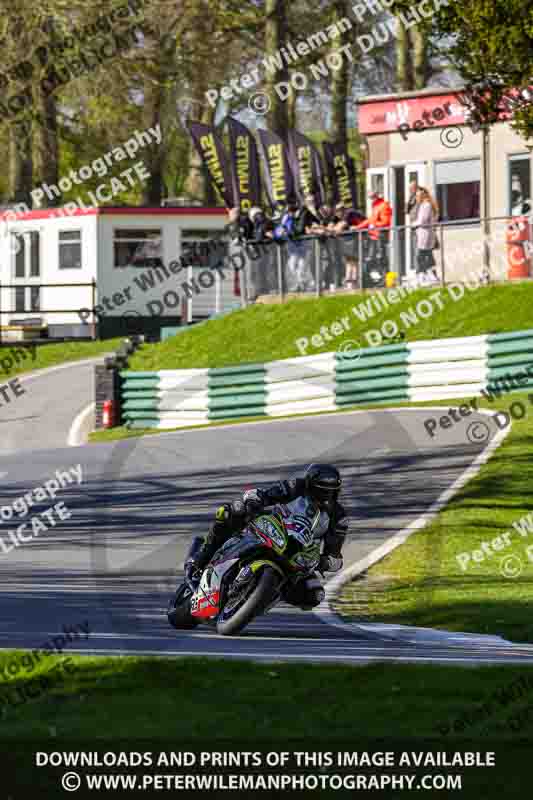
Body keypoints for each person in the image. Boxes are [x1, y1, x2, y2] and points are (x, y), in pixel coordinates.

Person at [184, 463, 348, 609]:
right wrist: (255, 501)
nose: (325, 496)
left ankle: (263, 596)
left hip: (297, 554)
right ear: (309, 484)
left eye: (330, 492)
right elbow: (266, 494)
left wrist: (324, 561)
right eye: (321, 490)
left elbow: (336, 557)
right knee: (232, 511)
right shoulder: (296, 486)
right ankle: (199, 560)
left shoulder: (339, 517)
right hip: (272, 528)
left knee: (315, 594)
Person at [414, 186, 439, 276]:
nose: (416, 198)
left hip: (425, 234)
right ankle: (431, 274)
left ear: (422, 196)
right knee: (427, 255)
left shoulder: (426, 205)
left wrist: (413, 224)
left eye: (417, 196)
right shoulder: (424, 205)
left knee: (421, 256)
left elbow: (422, 221)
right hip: (425, 234)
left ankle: (423, 274)